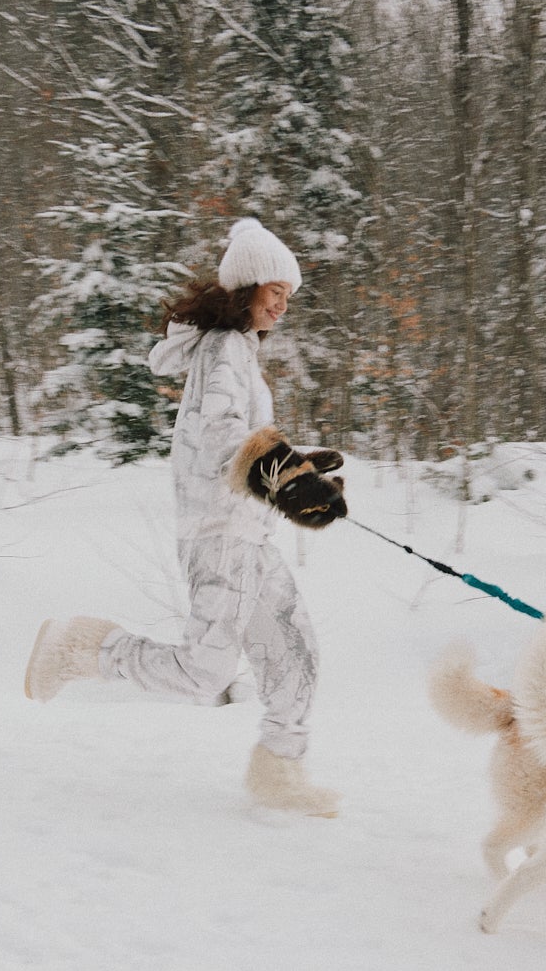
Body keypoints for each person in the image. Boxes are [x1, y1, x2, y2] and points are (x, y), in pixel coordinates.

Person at [23, 217, 347, 817]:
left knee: (295, 651)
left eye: (288, 296)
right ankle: (79, 649)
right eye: (274, 291)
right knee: (204, 672)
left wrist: (299, 469)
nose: (282, 304)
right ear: (245, 287)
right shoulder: (224, 350)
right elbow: (222, 438)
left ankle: (280, 771)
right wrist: (285, 478)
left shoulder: (239, 354)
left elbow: (242, 443)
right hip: (218, 536)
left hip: (248, 536)